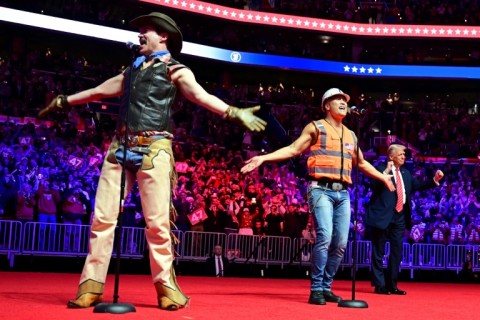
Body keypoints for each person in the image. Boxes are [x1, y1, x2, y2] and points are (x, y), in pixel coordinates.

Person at [39, 12, 266, 311]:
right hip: (120, 146)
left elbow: (201, 95)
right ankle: (90, 287)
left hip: (154, 148)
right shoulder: (130, 71)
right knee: (102, 219)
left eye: (146, 30)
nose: (140, 34)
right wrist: (64, 100)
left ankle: (166, 288)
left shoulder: (176, 70)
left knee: (157, 224)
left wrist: (233, 112)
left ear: (164, 37)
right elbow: (98, 91)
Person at [241, 88, 395, 305]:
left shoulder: (351, 134)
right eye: (337, 99)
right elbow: (294, 149)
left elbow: (360, 163)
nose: (342, 102)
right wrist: (263, 159)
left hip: (343, 193)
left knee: (340, 242)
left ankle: (326, 286)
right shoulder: (316, 127)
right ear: (326, 106)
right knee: (325, 236)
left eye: (344, 99)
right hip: (320, 189)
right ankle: (316, 289)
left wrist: (383, 177)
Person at [365, 144, 444, 295]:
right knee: (378, 252)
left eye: (404, 154)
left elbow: (418, 185)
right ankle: (379, 285)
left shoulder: (406, 174)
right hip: (382, 217)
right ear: (391, 156)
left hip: (400, 217)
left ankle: (392, 285)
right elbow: (373, 185)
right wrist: (386, 171)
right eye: (400, 154)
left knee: (396, 252)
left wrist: (434, 179)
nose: (403, 156)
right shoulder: (380, 169)